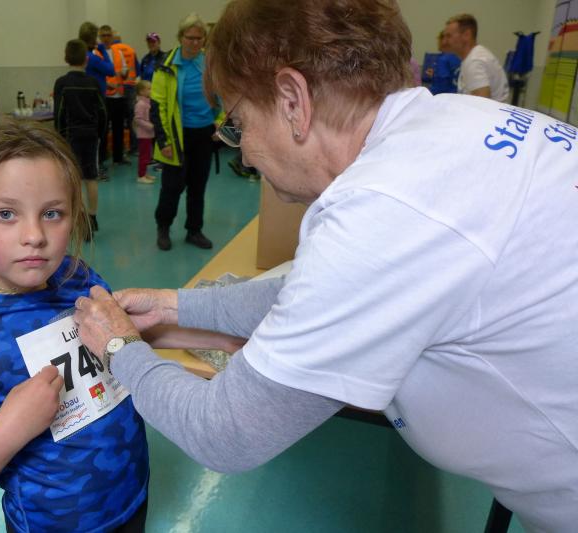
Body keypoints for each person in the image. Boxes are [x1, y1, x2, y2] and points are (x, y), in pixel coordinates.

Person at [73, 1, 578, 531]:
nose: (244, 155)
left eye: (239, 123)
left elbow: (224, 432)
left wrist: (119, 349)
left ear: (293, 100)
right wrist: (176, 305)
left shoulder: (382, 212)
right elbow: (309, 293)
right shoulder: (452, 122)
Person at [0, 120, 149, 532]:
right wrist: (8, 430)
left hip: (132, 495)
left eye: (52, 213)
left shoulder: (76, 277)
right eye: (6, 214)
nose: (35, 236)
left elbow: (122, 345)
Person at [151, 13, 223, 251]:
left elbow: (224, 96)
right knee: (172, 187)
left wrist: (220, 123)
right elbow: (158, 106)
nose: (195, 42)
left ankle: (194, 230)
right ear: (180, 37)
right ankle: (163, 227)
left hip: (204, 134)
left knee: (198, 186)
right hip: (176, 136)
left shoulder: (210, 64)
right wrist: (164, 141)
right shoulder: (166, 65)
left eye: (199, 38)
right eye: (190, 38)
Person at [53, 39, 107, 239]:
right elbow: (103, 112)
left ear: (66, 58)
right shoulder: (93, 83)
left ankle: (82, 219)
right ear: (86, 59)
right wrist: (100, 134)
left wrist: (60, 137)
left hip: (70, 137)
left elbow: (59, 113)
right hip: (91, 135)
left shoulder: (62, 83)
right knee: (91, 177)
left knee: (75, 180)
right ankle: (93, 217)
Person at [442, 13, 509, 102]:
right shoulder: (475, 56)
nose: (444, 41)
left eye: (449, 36)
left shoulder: (474, 62)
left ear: (466, 35)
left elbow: (481, 105)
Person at [78, 21, 114, 180]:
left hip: (84, 101)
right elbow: (111, 70)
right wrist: (103, 51)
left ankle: (89, 167)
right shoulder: (92, 58)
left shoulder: (81, 57)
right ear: (92, 39)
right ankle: (96, 169)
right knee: (99, 136)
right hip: (97, 101)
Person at [99, 25, 132, 167]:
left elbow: (123, 72)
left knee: (119, 128)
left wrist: (125, 73)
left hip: (119, 95)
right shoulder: (96, 53)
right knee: (103, 129)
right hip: (105, 97)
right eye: (103, 35)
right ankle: (101, 158)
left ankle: (118, 157)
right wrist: (107, 84)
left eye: (108, 35)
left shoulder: (118, 52)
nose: (106, 38)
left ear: (112, 37)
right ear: (100, 37)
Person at [133, 80, 156, 184]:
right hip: (143, 134)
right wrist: (150, 126)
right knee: (144, 155)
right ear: (141, 91)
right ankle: (141, 175)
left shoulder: (147, 102)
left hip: (148, 134)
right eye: (149, 89)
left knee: (147, 155)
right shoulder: (140, 104)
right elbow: (138, 119)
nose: (151, 90)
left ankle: (144, 173)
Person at [426, 31, 461, 95]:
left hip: (444, 97)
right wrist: (435, 75)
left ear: (443, 41)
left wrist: (426, 92)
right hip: (457, 95)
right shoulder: (459, 57)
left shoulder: (443, 59)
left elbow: (440, 87)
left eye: (438, 40)